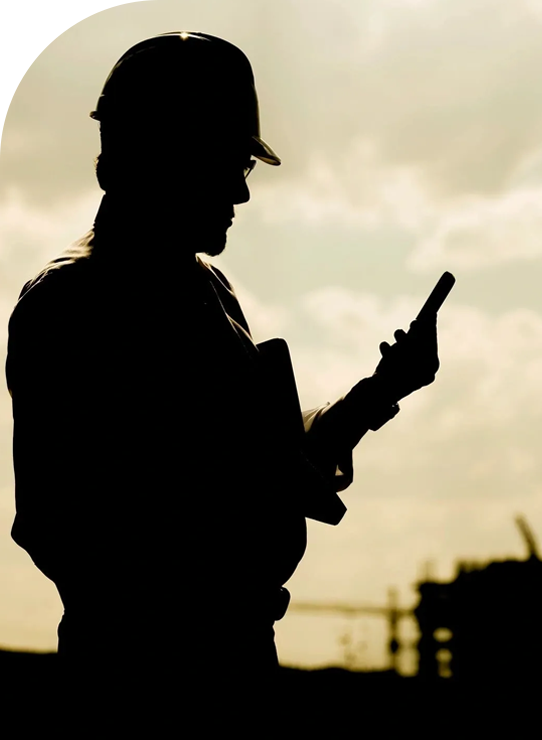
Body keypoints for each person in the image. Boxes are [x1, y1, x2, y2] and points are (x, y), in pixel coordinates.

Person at [5, 31, 439, 733]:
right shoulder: (73, 302)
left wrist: (376, 394)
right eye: (228, 163)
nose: (241, 190)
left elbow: (268, 458)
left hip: (231, 666)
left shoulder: (207, 290)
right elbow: (61, 524)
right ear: (167, 153)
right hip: (146, 686)